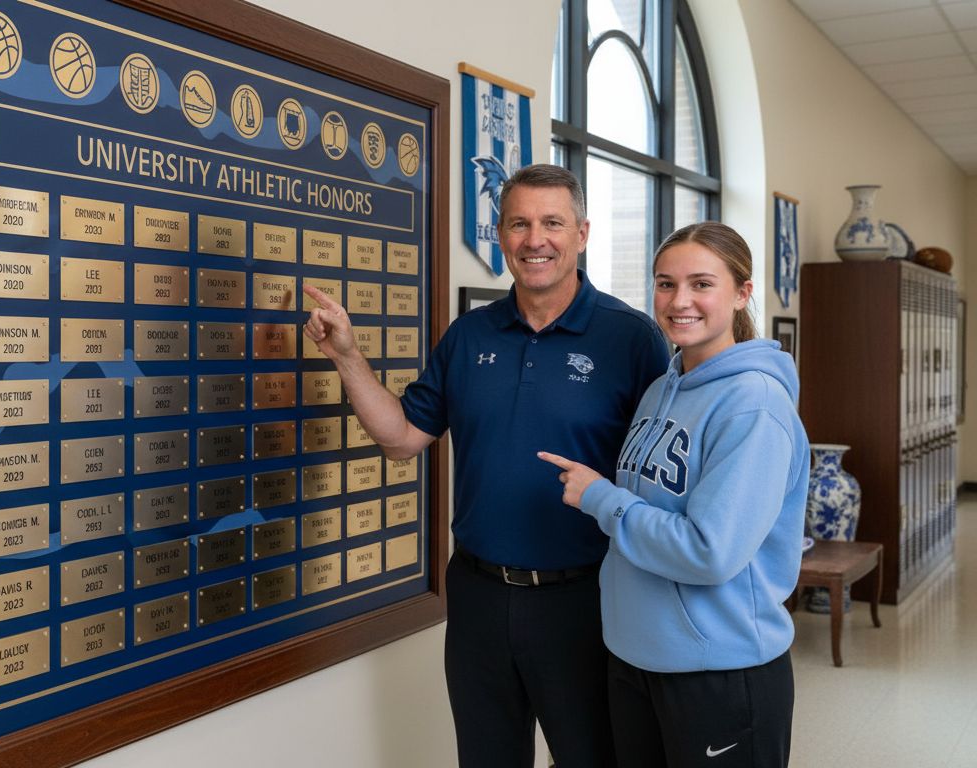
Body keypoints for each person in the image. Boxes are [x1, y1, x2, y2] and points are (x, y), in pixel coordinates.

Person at [302, 164, 669, 766]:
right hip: (477, 597)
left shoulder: (631, 340)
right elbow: (400, 440)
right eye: (519, 223)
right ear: (500, 235)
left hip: (586, 599)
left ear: (582, 232)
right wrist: (345, 355)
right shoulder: (468, 336)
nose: (535, 239)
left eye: (552, 222)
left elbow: (659, 480)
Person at [539, 222, 809, 768]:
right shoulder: (662, 388)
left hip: (718, 670)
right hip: (636, 658)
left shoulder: (754, 405)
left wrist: (601, 498)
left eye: (701, 284)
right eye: (665, 284)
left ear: (741, 293)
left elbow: (709, 552)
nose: (679, 301)